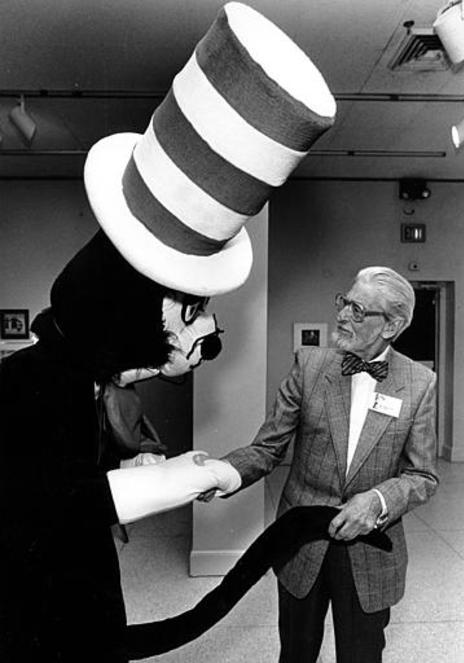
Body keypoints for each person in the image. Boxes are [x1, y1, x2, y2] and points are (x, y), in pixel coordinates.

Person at [0, 3, 337, 661]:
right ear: (127, 312)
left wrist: (141, 464)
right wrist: (183, 477)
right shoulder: (27, 387)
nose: (208, 329)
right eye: (190, 310)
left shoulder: (81, 380)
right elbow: (47, 508)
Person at [219, 266, 439, 663]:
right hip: (301, 542)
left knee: (362, 655)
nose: (341, 315)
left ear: (391, 325)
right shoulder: (310, 365)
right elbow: (267, 448)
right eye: (344, 302)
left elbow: (422, 475)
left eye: (358, 310)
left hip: (371, 549)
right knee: (297, 652)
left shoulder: (419, 382)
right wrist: (222, 473)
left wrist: (377, 500)